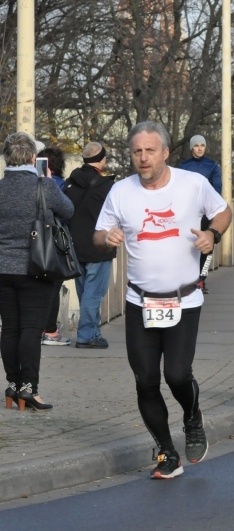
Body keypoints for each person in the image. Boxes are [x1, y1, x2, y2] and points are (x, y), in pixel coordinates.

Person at [94, 121, 231, 479]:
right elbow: (97, 234)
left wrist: (212, 234)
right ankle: (167, 453)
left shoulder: (193, 184)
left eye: (150, 151)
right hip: (140, 302)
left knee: (177, 374)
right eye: (137, 151)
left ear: (166, 153)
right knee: (145, 381)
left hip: (184, 299)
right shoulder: (121, 192)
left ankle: (193, 417)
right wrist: (106, 238)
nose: (143, 158)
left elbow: (223, 211)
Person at [1, 133, 74, 411]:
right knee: (31, 329)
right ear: (34, 157)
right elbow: (68, 210)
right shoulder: (44, 186)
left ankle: (13, 384)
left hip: (3, 270)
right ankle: (29, 389)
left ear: (7, 158)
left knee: (10, 328)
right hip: (37, 267)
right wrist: (47, 181)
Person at [63, 142, 117, 349]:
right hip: (99, 246)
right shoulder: (107, 186)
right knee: (94, 294)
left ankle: (93, 332)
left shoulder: (69, 183)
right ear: (101, 160)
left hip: (74, 246)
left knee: (84, 292)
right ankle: (87, 335)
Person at [38, 147, 72, 347]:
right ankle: (50, 330)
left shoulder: (31, 184)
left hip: (33, 243)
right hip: (53, 244)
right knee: (53, 287)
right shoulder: (59, 186)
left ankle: (38, 329)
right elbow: (67, 212)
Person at [179, 135, 222, 295]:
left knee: (207, 247)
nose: (199, 148)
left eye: (202, 145)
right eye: (196, 145)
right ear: (192, 147)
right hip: (188, 212)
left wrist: (209, 206)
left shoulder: (212, 165)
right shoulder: (184, 166)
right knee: (187, 246)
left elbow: (217, 189)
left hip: (206, 213)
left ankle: (202, 279)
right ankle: (187, 279)